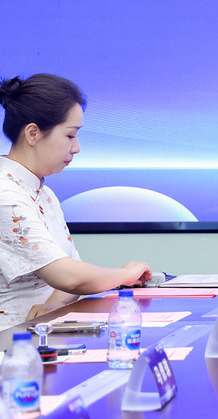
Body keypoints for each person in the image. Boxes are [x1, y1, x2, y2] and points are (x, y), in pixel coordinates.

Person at [0, 73, 152, 329]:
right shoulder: (5, 194)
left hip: (42, 332)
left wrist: (51, 306)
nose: (76, 148)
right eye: (70, 135)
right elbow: (70, 277)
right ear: (33, 133)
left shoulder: (44, 193)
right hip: (10, 340)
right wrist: (125, 275)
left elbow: (72, 271)